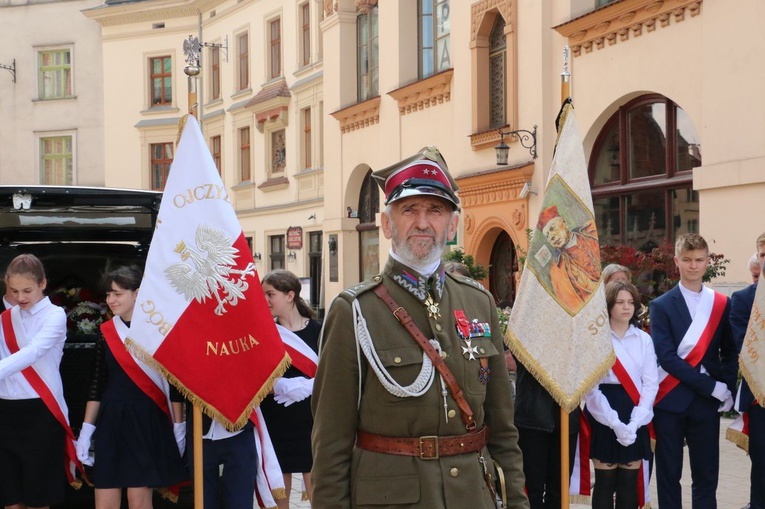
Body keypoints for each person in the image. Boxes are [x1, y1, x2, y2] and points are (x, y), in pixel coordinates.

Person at [311, 146, 529, 509]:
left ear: (453, 224)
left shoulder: (479, 303)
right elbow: (330, 443)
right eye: (409, 209)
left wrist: (518, 503)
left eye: (436, 210)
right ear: (386, 223)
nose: (423, 222)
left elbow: (503, 430)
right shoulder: (355, 312)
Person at [75, 266, 187, 509]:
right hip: (111, 421)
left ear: (137, 294)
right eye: (108, 294)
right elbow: (97, 384)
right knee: (104, 498)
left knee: (139, 500)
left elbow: (174, 382)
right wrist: (86, 431)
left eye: (117, 294)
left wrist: (179, 426)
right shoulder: (106, 333)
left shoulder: (159, 330)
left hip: (146, 419)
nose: (110, 300)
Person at [649, 233, 738, 509]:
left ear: (707, 261)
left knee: (707, 473)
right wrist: (711, 386)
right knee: (668, 474)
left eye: (699, 260)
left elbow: (729, 351)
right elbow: (666, 357)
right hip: (670, 401)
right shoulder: (660, 305)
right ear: (676, 261)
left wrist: (727, 388)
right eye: (687, 260)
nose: (693, 266)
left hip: (705, 404)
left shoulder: (721, 303)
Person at [0, 254, 81, 509]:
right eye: (14, 291)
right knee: (11, 498)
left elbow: (33, 352)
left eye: (27, 290)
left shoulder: (54, 315)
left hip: (41, 412)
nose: (21, 297)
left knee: (38, 499)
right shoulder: (6, 317)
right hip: (5, 412)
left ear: (43, 284)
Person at [584, 280, 658, 509]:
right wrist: (615, 423)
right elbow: (591, 388)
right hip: (604, 411)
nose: (627, 307)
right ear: (608, 306)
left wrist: (635, 422)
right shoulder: (596, 338)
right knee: (605, 482)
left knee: (628, 483)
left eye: (631, 302)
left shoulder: (644, 339)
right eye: (620, 302)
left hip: (635, 411)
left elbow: (651, 384)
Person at [260, 269, 320, 507]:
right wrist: (278, 385)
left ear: (290, 295)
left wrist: (310, 385)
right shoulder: (264, 333)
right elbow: (254, 375)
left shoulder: (319, 330)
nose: (265, 300)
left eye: (270, 294)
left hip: (311, 417)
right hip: (276, 417)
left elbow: (335, 369)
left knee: (316, 482)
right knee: (279, 485)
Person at [514, 358, 579, 509]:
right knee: (531, 491)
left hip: (567, 415)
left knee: (559, 492)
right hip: (532, 417)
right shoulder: (527, 332)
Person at [730, 234, 765, 509]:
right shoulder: (742, 299)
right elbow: (743, 344)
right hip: (760, 396)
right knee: (762, 464)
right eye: (763, 255)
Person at [537, 205, 600, 313]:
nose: (551, 237)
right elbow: (572, 305)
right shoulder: (557, 270)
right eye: (547, 235)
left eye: (553, 228)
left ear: (564, 223)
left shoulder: (592, 231)